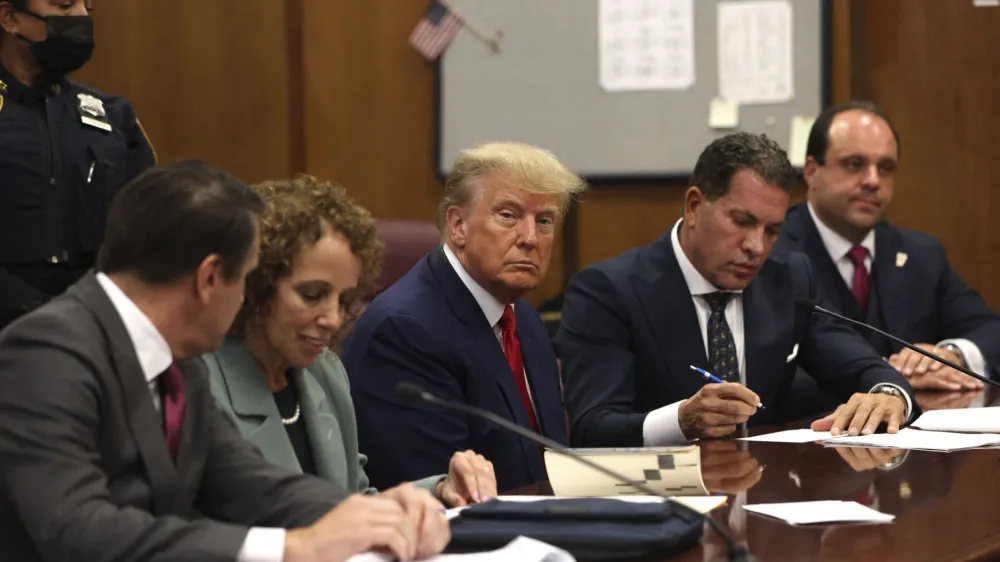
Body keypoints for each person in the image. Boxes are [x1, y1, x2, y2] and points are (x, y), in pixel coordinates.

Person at [0, 161, 449, 562]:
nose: (244, 299)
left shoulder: (179, 360)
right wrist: (292, 549)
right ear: (211, 277)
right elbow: (78, 530)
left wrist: (372, 513)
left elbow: (245, 481)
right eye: (246, 277)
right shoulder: (46, 352)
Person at [554, 132, 919, 448]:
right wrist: (681, 420)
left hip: (764, 496)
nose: (756, 247)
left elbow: (860, 365)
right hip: (662, 503)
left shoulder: (789, 279)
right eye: (742, 222)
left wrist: (888, 395)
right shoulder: (609, 291)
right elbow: (591, 428)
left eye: (772, 230)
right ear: (695, 206)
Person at [203, 174, 497, 507]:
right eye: (312, 295)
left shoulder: (325, 374)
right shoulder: (201, 384)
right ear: (257, 284)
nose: (333, 319)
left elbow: (352, 502)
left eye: (344, 301)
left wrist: (441, 490)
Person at [341, 141, 587, 492]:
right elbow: (442, 494)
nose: (530, 238)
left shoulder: (525, 320)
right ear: (458, 226)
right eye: (509, 215)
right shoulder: (404, 332)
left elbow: (550, 463)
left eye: (544, 221)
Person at [776, 101, 1000, 396]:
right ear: (812, 172)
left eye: (886, 168)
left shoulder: (920, 254)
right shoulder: (772, 252)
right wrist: (886, 376)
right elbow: (772, 369)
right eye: (855, 164)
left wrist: (950, 356)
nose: (872, 181)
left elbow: (991, 331)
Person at [0, 0, 156, 329]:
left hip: (92, 325)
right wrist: (31, 312)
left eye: (87, 6)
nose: (82, 18)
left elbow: (152, 228)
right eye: (65, 5)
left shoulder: (112, 115)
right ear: (10, 17)